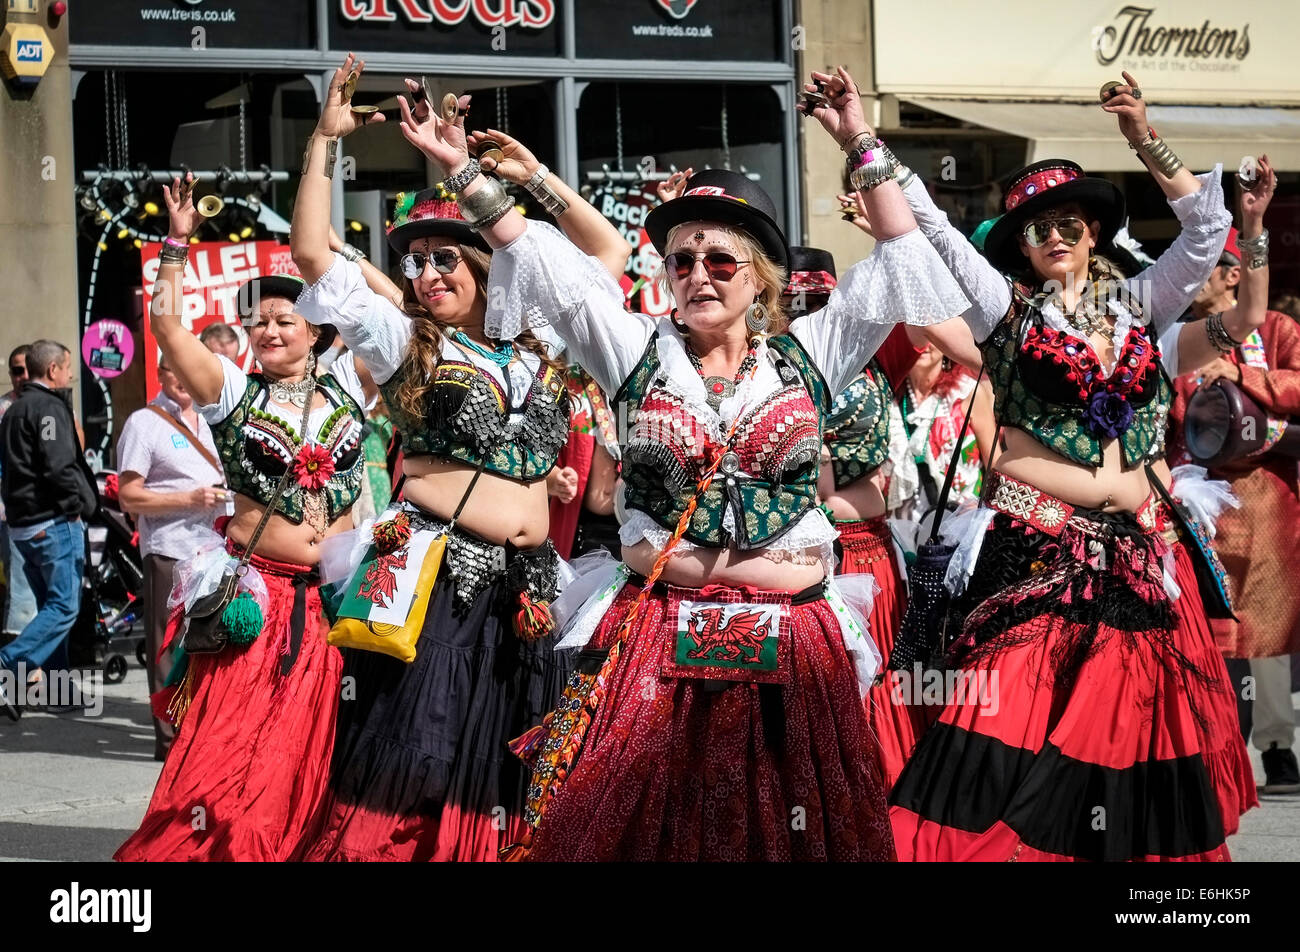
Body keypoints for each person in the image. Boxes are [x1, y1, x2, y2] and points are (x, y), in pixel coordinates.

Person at [407, 65, 968, 860]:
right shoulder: (636, 350)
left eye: (720, 261)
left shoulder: (813, 353)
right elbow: (541, 259)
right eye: (680, 260)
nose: (697, 274)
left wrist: (855, 137)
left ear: (760, 277)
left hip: (794, 648)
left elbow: (900, 245)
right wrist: (461, 171)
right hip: (663, 640)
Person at [889, 72, 1257, 861]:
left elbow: (1205, 228)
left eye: (1067, 223)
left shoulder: (1142, 307)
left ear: (1092, 230)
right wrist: (859, 138)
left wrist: (1140, 135)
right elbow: (932, 227)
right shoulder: (1005, 312)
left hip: (1131, 558)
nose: (1053, 236)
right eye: (1035, 229)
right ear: (1019, 247)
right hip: (1035, 551)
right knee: (1004, 721)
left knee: (1122, 733)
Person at [289, 55, 631, 862]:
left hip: (533, 583)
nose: (428, 272)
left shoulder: (541, 345)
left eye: (448, 257)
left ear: (486, 265)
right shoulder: (404, 341)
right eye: (417, 262)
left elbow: (607, 253)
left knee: (510, 761)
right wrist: (322, 144)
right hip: (435, 576)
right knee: (418, 754)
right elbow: (312, 256)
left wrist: (532, 179)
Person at [115, 171, 372, 861]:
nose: (268, 330)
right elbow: (168, 326)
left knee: (319, 751)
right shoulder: (233, 393)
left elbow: (398, 314)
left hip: (333, 607)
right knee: (233, 748)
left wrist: (340, 258)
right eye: (258, 322)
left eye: (284, 319)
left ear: (316, 331)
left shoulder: (351, 382)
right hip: (254, 607)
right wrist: (176, 243)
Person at [1167, 158, 1300, 794]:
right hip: (1198, 500)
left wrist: (1246, 377)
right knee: (1211, 625)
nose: (1194, 281)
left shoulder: (1275, 329)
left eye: (1205, 269)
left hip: (1267, 494)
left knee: (1269, 621)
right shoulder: (1179, 335)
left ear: (1229, 274)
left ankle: (1276, 745)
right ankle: (1216, 743)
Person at [114, 356, 227, 760]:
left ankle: (202, 733)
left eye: (187, 369)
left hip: (216, 551)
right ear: (161, 376)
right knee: (168, 646)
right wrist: (189, 498)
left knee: (210, 643)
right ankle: (169, 741)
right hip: (169, 549)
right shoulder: (145, 423)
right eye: (172, 372)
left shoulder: (215, 416)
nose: (182, 379)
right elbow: (129, 497)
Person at [0, 340, 96, 722]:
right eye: (68, 366)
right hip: (52, 522)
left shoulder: (14, 409)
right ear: (54, 369)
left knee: (51, 610)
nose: (70, 373)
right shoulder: (46, 408)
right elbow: (59, 468)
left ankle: (55, 692)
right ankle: (8, 665)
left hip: (25, 525)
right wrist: (77, 508)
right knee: (63, 606)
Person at [1, 344, 38, 647]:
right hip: (11, 513)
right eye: (16, 370)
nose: (23, 376)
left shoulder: (51, 405)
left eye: (27, 369)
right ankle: (19, 663)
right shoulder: (2, 408)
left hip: (49, 515)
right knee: (19, 586)